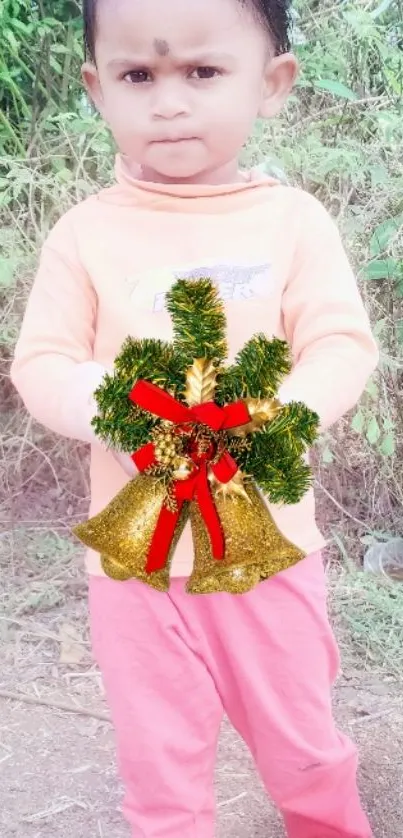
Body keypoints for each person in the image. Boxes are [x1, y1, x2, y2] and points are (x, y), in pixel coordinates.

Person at [10, 1, 378, 836]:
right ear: (97, 89)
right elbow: (42, 364)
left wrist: (277, 419)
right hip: (133, 570)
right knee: (160, 774)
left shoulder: (291, 223)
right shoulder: (83, 235)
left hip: (266, 553)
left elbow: (339, 346)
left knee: (304, 751)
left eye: (202, 72)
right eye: (139, 75)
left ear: (271, 83)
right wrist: (117, 408)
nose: (168, 101)